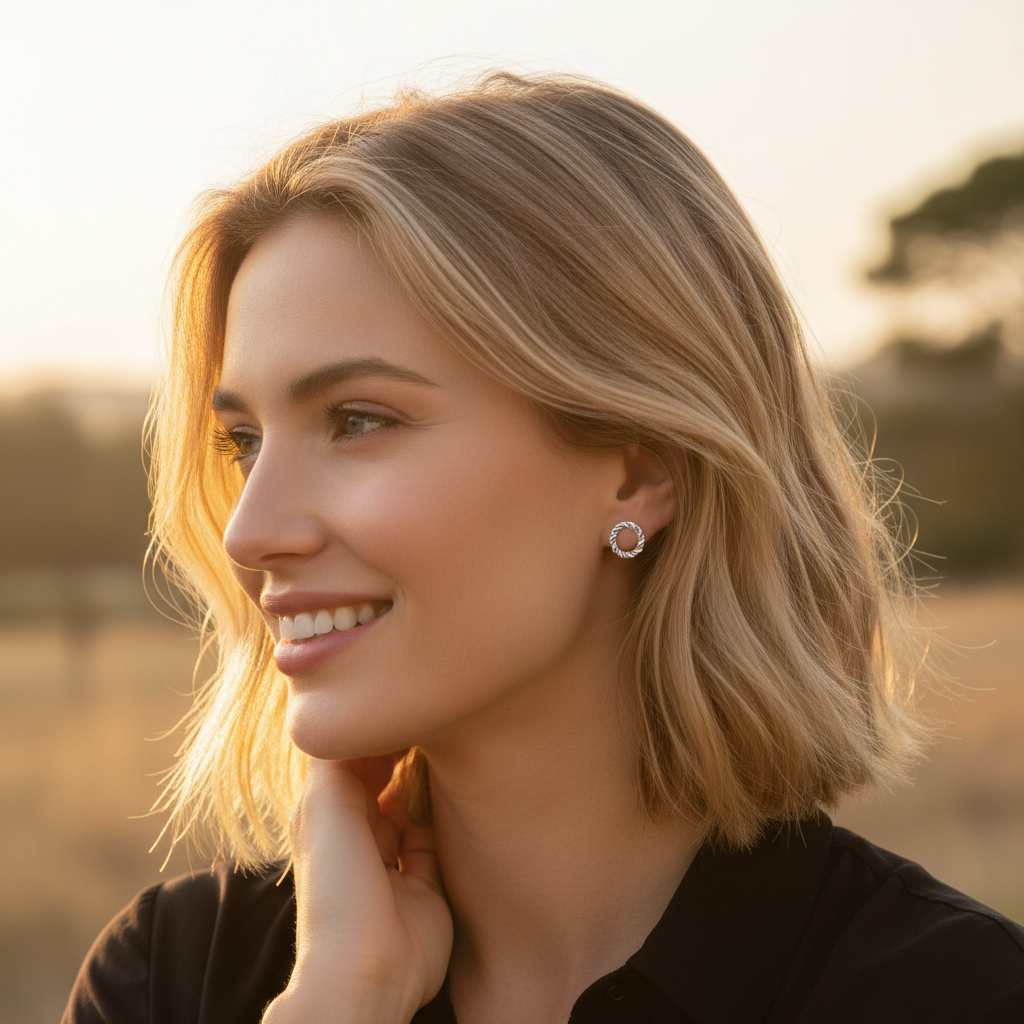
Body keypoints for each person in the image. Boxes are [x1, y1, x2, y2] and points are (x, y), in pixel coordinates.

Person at [63, 73, 1024, 1024]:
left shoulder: (951, 996)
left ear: (640, 469)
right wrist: (340, 1005)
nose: (250, 531)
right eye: (242, 442)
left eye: (357, 420)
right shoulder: (168, 981)